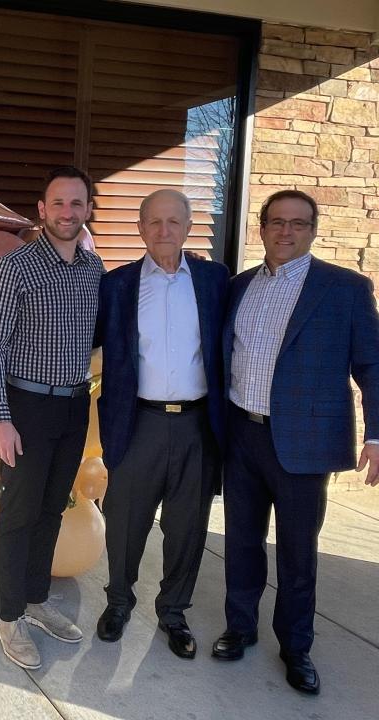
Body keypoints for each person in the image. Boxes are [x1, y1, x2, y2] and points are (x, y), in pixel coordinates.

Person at [212, 189, 379, 694]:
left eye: (298, 224)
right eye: (277, 222)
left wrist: (376, 434)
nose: (286, 231)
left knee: (298, 551)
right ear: (261, 228)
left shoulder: (344, 289)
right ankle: (240, 628)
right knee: (241, 541)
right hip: (242, 433)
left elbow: (371, 365)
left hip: (304, 443)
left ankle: (296, 647)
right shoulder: (239, 287)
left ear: (313, 230)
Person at [0, 166, 104, 669]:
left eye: (77, 203)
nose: (68, 212)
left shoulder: (94, 271)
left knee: (53, 508)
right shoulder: (15, 269)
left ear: (87, 210)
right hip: (26, 408)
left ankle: (34, 599)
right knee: (21, 513)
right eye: (59, 203)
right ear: (42, 210)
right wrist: (1, 418)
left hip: (74, 405)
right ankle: (8, 617)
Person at [92, 189, 227, 659]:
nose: (164, 231)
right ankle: (118, 603)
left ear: (189, 227)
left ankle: (174, 613)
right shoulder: (118, 285)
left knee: (187, 527)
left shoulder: (215, 280)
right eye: (154, 222)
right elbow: (84, 339)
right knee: (125, 521)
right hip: (138, 421)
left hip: (197, 426)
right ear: (141, 229)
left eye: (174, 221)